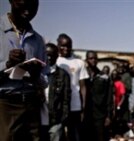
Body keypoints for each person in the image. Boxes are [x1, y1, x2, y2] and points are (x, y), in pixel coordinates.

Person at [0, 0, 48, 141]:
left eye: (34, 6)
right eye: (24, 3)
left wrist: (36, 74)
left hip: (31, 106)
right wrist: (7, 64)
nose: (28, 11)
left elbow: (45, 80)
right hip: (5, 105)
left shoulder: (38, 40)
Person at [56, 33, 89, 141]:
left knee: (74, 135)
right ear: (58, 45)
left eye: (69, 46)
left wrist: (83, 107)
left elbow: (83, 86)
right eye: (63, 46)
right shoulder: (55, 61)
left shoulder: (79, 62)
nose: (66, 48)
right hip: (58, 104)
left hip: (75, 105)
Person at [40, 43, 71, 141]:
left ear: (57, 56)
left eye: (51, 55)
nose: (48, 58)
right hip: (38, 119)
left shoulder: (63, 75)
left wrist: (63, 118)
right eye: (46, 55)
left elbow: (66, 98)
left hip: (56, 120)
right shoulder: (37, 73)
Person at [83, 50, 113, 141]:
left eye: (95, 58)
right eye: (91, 58)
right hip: (85, 114)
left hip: (100, 115)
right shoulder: (83, 76)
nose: (93, 60)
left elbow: (109, 97)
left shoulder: (104, 77)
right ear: (86, 60)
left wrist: (108, 116)